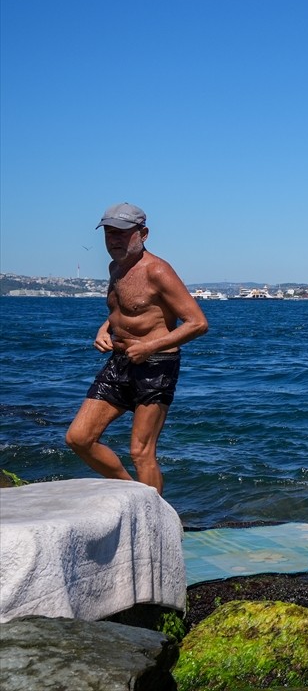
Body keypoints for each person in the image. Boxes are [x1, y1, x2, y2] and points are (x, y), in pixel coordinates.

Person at [65, 203, 209, 494]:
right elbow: (121, 312)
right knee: (79, 438)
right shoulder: (114, 267)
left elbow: (197, 323)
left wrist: (149, 346)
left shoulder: (157, 270)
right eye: (109, 233)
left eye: (122, 233)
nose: (114, 240)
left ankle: (156, 525)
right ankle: (136, 497)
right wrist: (103, 330)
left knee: (141, 452)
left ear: (143, 234)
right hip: (119, 362)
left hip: (156, 365)